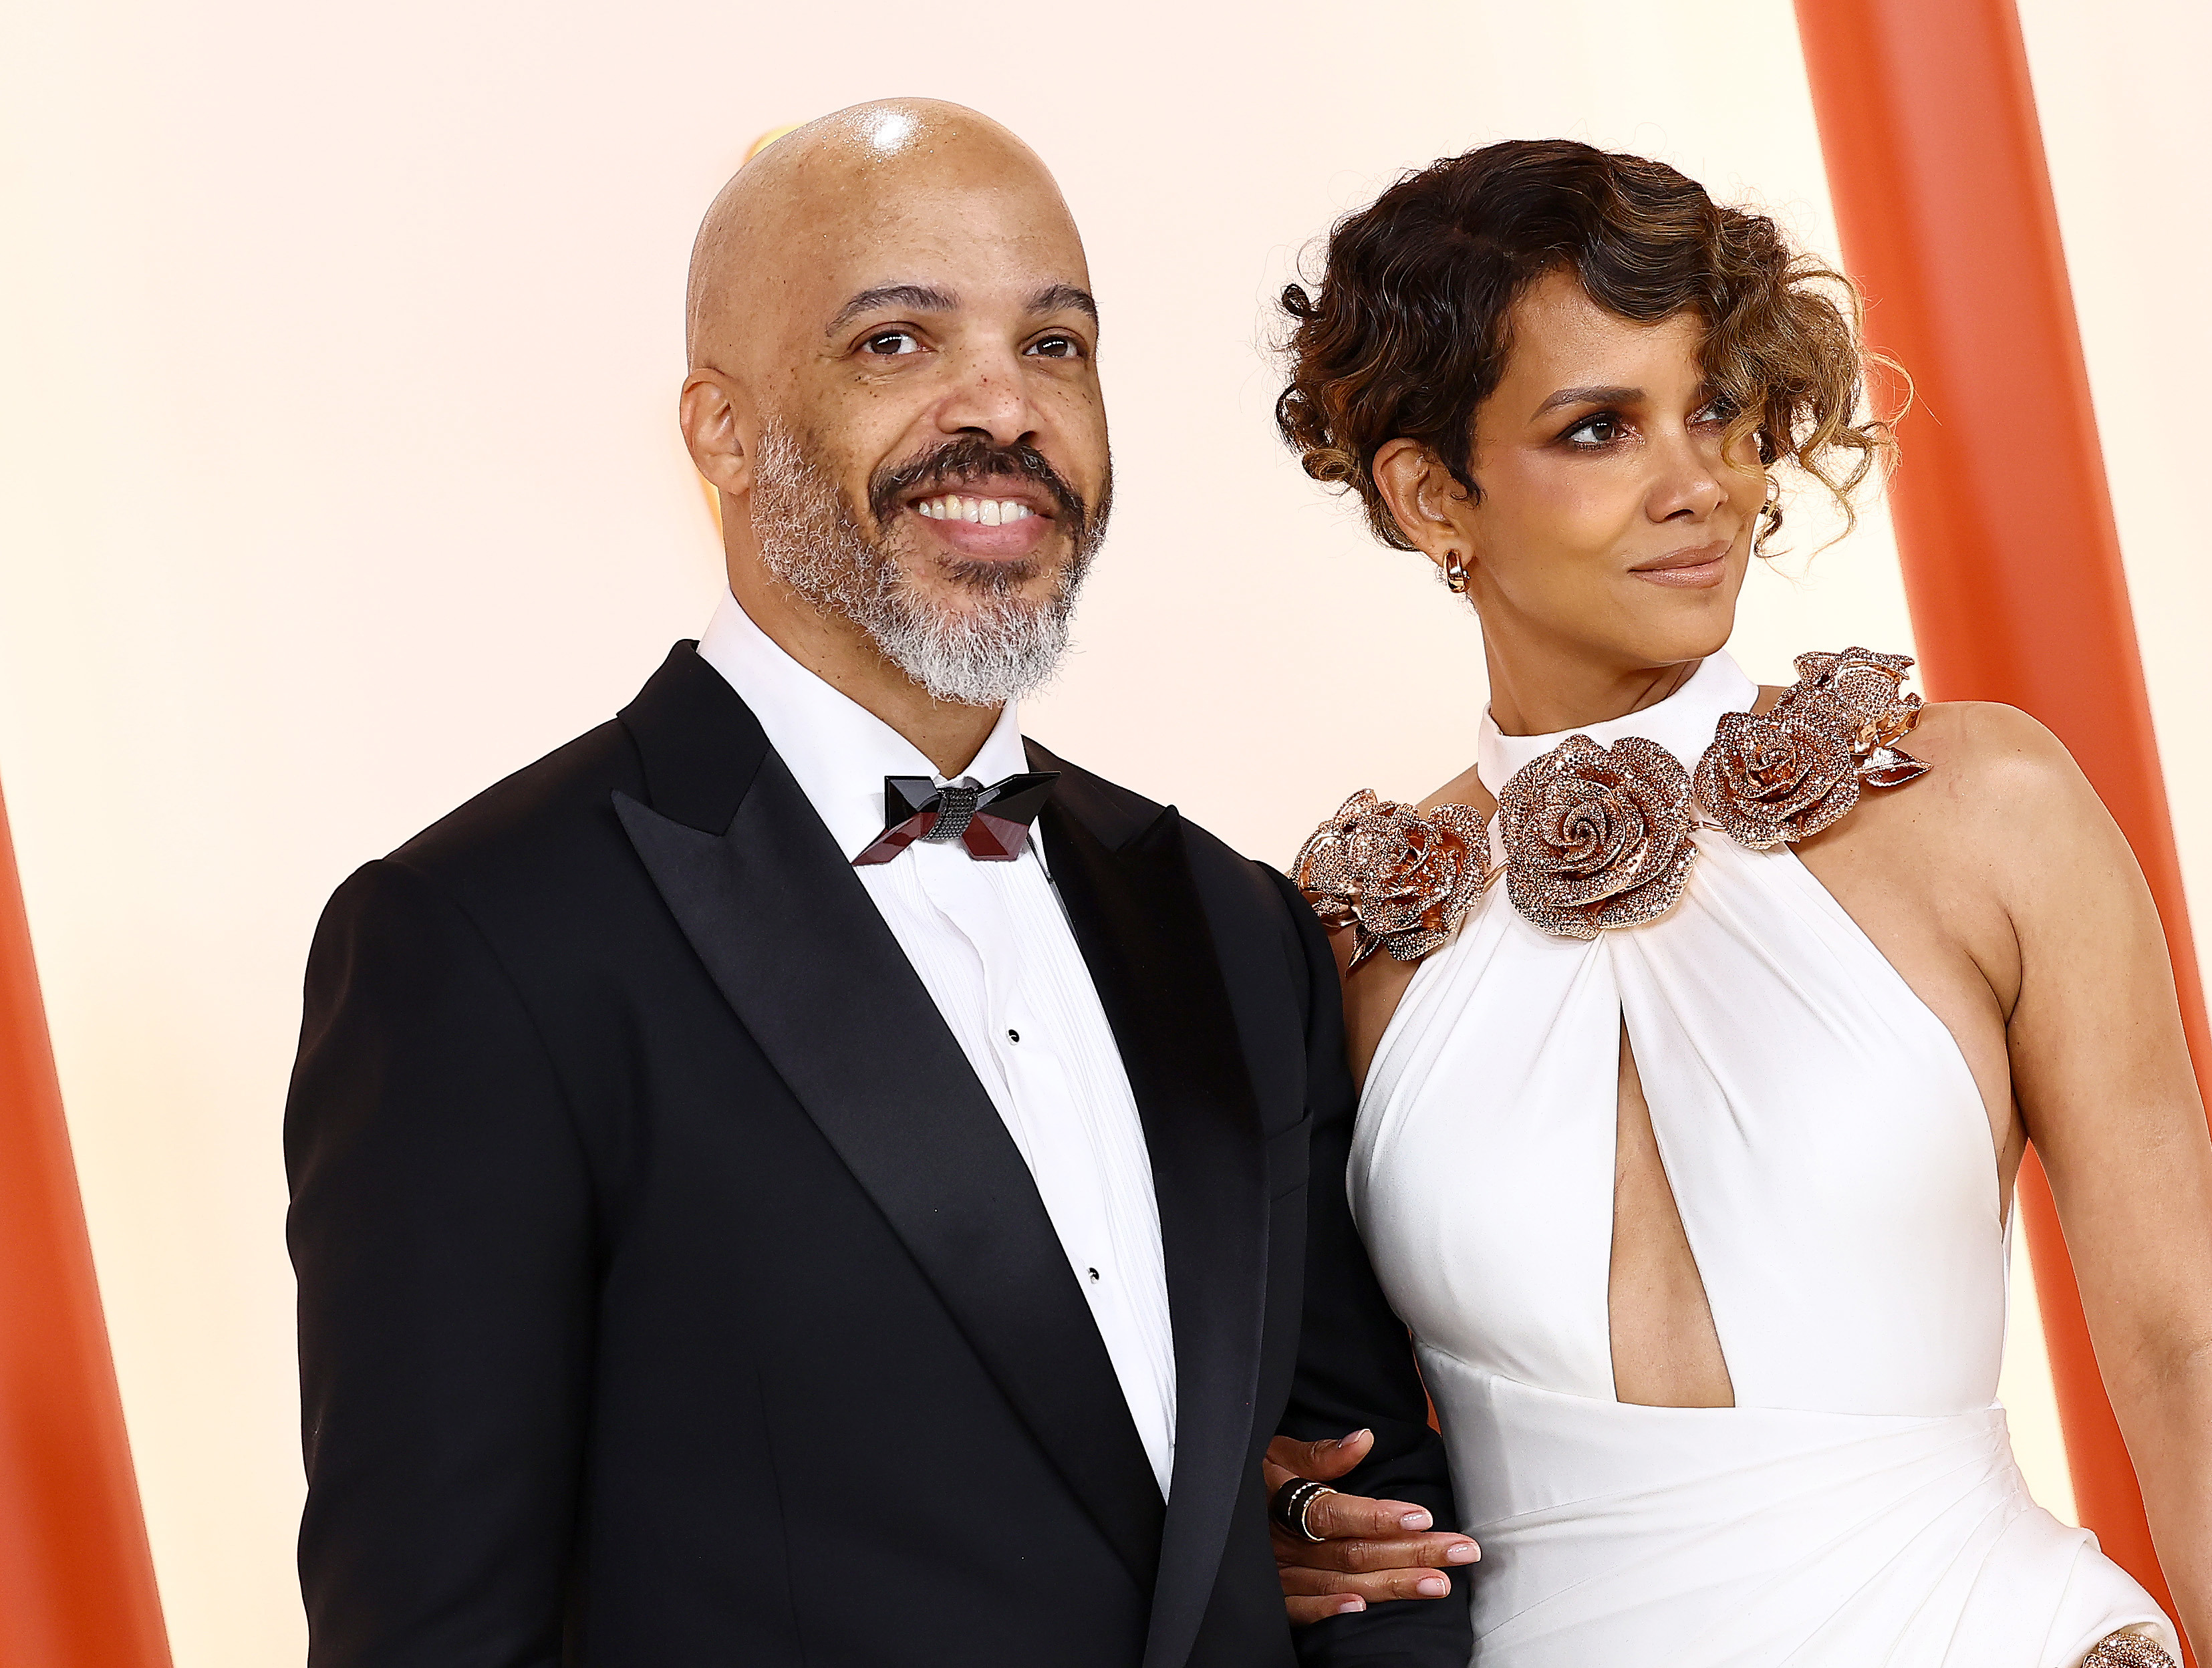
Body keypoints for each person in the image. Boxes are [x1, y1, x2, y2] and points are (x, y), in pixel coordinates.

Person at [283, 100, 1474, 1667]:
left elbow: (1374, 1509)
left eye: (1057, 346)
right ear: (719, 429)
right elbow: (431, 1624)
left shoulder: (1229, 917)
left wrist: (1312, 1532)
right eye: (897, 343)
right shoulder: (481, 939)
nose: (1004, 410)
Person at [1266, 140, 2212, 1667]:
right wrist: (1282, 1522)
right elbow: (1292, 1418)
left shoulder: (1981, 805)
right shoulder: (1351, 929)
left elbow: (2181, 1344)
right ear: (1435, 496)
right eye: (1599, 428)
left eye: (1715, 409)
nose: (1700, 485)